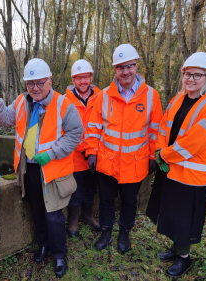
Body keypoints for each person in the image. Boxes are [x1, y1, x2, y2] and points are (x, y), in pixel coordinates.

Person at [0, 58, 83, 278]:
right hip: (29, 169)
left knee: (54, 215)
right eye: (30, 84)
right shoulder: (21, 102)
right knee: (36, 210)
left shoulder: (64, 105)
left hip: (52, 169)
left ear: (49, 81)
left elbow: (75, 134)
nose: (35, 88)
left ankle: (59, 255)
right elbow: (6, 119)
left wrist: (52, 153)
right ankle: (43, 245)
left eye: (40, 82)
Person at [146, 52, 206, 278]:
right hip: (172, 170)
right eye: (187, 74)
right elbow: (163, 127)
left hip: (192, 176)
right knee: (172, 215)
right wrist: (159, 151)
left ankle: (184, 259)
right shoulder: (178, 99)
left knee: (185, 220)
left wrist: (164, 156)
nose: (190, 79)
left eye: (197, 75)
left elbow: (193, 143)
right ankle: (175, 250)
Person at [84, 44, 163, 253]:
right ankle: (107, 231)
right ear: (115, 70)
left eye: (129, 66)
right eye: (120, 68)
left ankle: (125, 234)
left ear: (137, 66)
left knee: (129, 202)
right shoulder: (104, 96)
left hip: (135, 164)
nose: (125, 72)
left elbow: (156, 129)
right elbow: (93, 127)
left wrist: (154, 154)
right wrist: (91, 152)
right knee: (107, 200)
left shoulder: (150, 96)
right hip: (107, 162)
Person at [64, 59, 102, 237]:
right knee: (75, 191)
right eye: (78, 78)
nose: (82, 82)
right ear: (73, 80)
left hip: (96, 156)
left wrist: (93, 150)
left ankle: (87, 215)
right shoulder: (65, 101)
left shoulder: (102, 98)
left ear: (91, 77)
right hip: (76, 157)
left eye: (85, 77)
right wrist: (86, 149)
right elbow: (66, 130)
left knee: (90, 188)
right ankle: (73, 220)